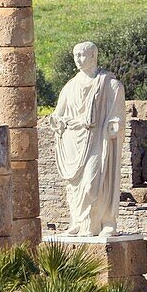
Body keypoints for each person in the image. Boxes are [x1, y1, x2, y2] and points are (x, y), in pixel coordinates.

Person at [49, 41, 125, 238]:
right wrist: (57, 122)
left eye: (82, 55)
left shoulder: (110, 85)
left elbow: (116, 114)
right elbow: (58, 114)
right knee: (75, 186)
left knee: (94, 183)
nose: (78, 59)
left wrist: (114, 124)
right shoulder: (70, 87)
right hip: (74, 141)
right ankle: (79, 222)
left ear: (93, 57)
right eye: (75, 55)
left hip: (98, 140)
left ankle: (105, 222)